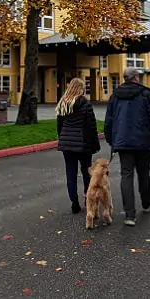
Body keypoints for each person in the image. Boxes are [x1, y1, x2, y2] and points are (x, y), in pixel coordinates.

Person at [104, 66, 150, 226]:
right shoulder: (146, 94)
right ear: (136, 78)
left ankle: (130, 215)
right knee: (144, 173)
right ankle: (146, 202)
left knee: (126, 175)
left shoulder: (115, 96)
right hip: (143, 141)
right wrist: (146, 127)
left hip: (123, 142)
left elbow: (109, 121)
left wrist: (112, 140)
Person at [56, 78, 100, 214]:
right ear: (81, 89)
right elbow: (91, 126)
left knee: (71, 173)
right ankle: (88, 199)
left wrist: (62, 139)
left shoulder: (63, 104)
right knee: (87, 172)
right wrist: (94, 144)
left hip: (67, 144)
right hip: (83, 144)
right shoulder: (85, 104)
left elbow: (59, 126)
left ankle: (74, 202)